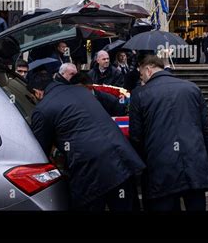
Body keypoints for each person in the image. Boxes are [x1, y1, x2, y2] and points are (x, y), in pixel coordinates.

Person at [29, 71, 145, 211]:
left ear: (37, 92)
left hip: (91, 171)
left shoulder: (43, 109)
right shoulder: (81, 91)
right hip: (122, 158)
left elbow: (39, 151)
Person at [129, 55, 208, 211]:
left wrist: (144, 164)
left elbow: (136, 136)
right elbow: (206, 128)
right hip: (194, 163)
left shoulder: (139, 94)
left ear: (148, 70)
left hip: (160, 168)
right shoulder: (192, 88)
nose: (141, 79)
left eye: (141, 75)